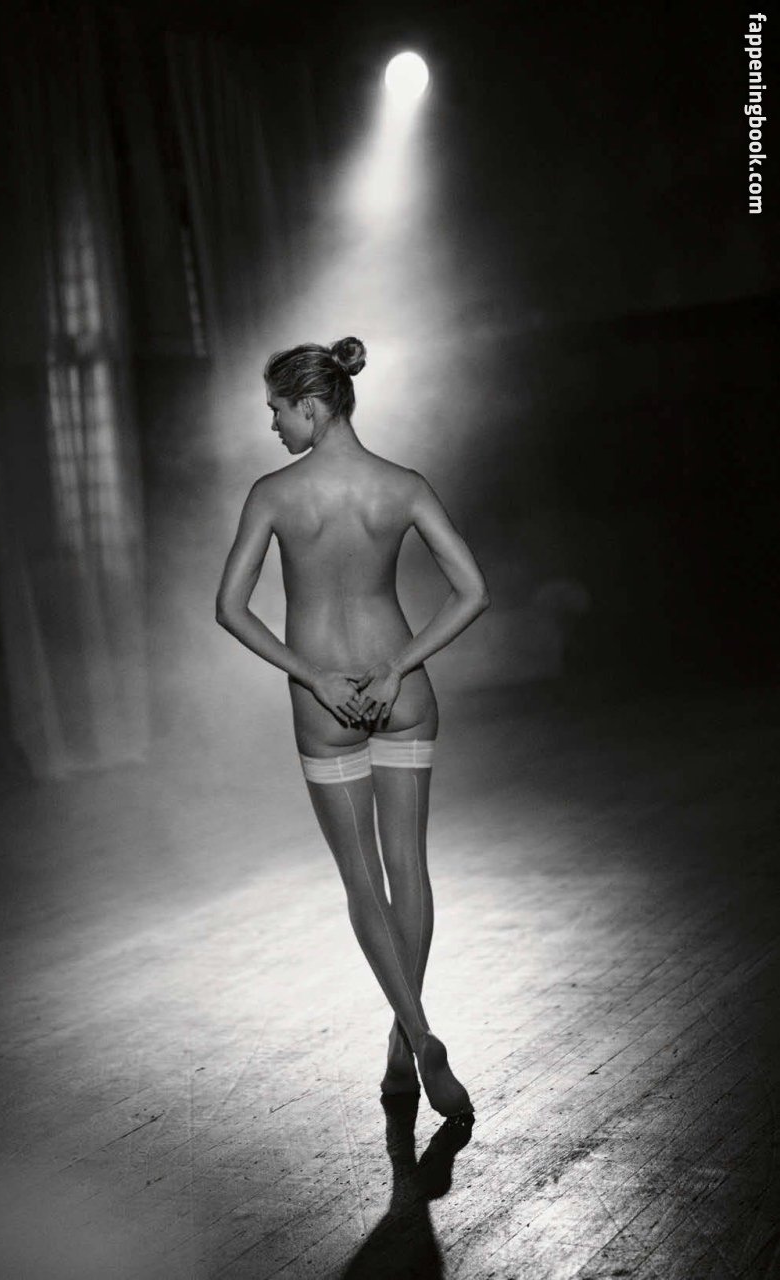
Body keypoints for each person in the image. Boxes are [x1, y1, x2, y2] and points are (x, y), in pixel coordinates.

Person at [215, 336, 489, 1120]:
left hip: (323, 701)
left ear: (310, 404)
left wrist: (313, 675)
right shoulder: (402, 485)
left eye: (276, 409)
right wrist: (397, 666)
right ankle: (405, 1047)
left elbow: (229, 609)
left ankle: (418, 1034)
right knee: (410, 869)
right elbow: (472, 592)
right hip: (401, 690)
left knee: (363, 882)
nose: (272, 424)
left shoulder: (273, 493)